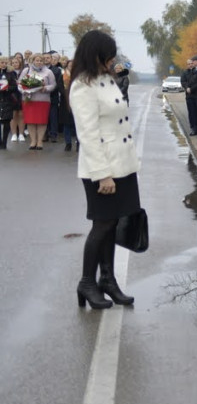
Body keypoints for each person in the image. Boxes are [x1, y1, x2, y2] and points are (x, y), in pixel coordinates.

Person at [69, 30, 140, 309]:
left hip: (122, 164)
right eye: (108, 55)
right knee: (101, 225)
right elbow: (87, 134)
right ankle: (87, 282)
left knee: (113, 223)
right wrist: (102, 174)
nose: (112, 60)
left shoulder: (106, 79)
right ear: (95, 54)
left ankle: (107, 280)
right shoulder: (82, 86)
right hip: (102, 168)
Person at [18, 52, 57, 150]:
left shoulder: (48, 72)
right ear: (33, 61)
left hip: (43, 100)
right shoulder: (26, 71)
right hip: (29, 100)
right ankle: (33, 141)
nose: (39, 62)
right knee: (30, 121)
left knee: (41, 121)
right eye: (37, 60)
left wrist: (45, 88)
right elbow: (19, 83)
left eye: (41, 61)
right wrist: (24, 90)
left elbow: (53, 85)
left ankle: (40, 141)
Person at [0, 56, 20, 149]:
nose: (3, 64)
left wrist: (7, 88)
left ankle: (4, 142)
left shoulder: (11, 73)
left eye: (5, 62)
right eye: (1, 62)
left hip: (7, 99)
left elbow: (15, 86)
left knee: (6, 121)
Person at [59, 59, 77, 151]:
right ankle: (68, 143)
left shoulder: (79, 76)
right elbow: (60, 86)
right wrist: (66, 93)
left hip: (77, 102)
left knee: (77, 123)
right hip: (65, 101)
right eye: (70, 65)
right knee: (67, 124)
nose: (71, 66)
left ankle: (78, 143)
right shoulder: (62, 75)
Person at [8, 54, 25, 141]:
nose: (15, 64)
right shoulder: (9, 73)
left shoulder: (24, 72)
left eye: (16, 62)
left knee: (21, 115)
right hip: (12, 96)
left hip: (23, 95)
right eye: (13, 62)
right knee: (13, 115)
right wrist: (15, 85)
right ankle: (14, 134)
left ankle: (21, 134)